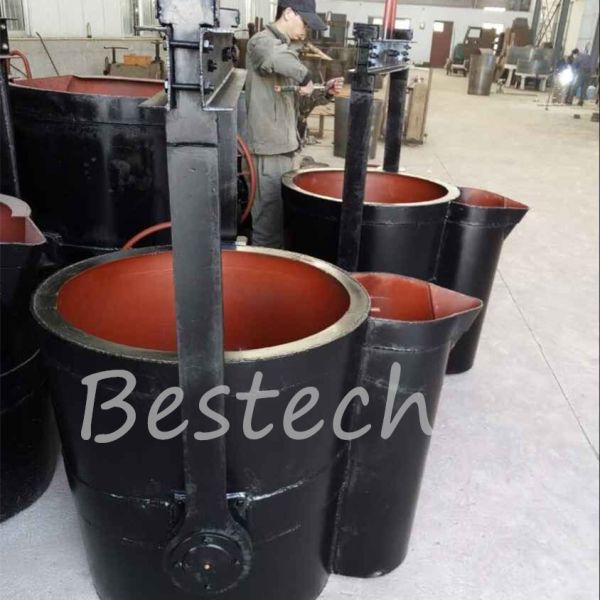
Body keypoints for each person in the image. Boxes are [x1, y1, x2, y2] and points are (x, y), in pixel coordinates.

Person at [245, 0, 343, 248]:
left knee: (281, 218)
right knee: (268, 226)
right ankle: (266, 267)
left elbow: (297, 105)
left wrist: (325, 93)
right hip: (269, 152)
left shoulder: (286, 52)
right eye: (305, 23)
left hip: (287, 148)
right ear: (288, 13)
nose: (306, 31)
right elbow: (274, 56)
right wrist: (305, 75)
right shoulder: (261, 42)